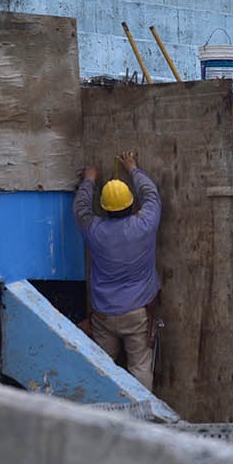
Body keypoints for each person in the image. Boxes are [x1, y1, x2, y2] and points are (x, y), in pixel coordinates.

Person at [74, 150, 162, 390]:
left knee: (103, 371)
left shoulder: (95, 231)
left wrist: (89, 180)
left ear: (104, 208)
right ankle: (143, 420)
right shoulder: (144, 224)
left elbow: (81, 209)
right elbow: (151, 195)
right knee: (141, 369)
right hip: (137, 314)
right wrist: (133, 168)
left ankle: (104, 417)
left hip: (104, 314)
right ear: (131, 203)